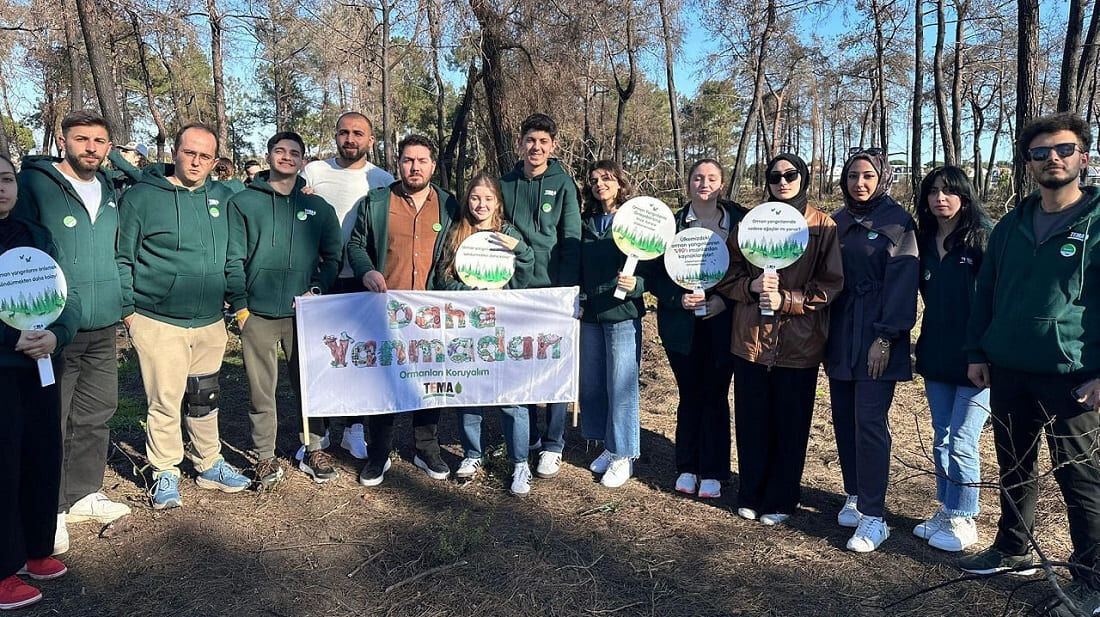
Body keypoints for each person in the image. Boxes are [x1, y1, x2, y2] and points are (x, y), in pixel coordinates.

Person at [962, 112, 1100, 616]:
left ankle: (1092, 579)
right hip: (1009, 369)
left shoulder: (1096, 224)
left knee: (1080, 477)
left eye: (1063, 150)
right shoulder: (1011, 226)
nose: (1052, 159)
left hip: (1073, 376)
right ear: (1029, 165)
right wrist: (978, 351)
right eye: (1040, 153)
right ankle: (1013, 547)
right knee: (1014, 465)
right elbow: (986, 291)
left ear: (1083, 158)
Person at [14, 110, 131, 557]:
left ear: (109, 147)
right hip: (54, 327)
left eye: (99, 141)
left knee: (97, 413)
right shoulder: (35, 185)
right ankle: (53, 507)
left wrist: (122, 304)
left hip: (103, 323)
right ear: (63, 142)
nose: (91, 148)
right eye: (82, 139)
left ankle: (84, 493)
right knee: (53, 419)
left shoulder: (110, 188)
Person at [117, 123, 252, 509]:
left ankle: (209, 463)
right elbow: (122, 257)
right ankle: (164, 470)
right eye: (189, 153)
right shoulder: (142, 197)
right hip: (158, 320)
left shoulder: (225, 197)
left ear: (215, 160)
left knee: (204, 397)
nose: (196, 162)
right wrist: (128, 313)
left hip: (210, 321)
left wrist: (303, 189)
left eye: (204, 156)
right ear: (174, 152)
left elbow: (260, 212)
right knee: (165, 399)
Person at [717, 153, 843, 525]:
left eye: (790, 175)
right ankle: (750, 493)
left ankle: (782, 498)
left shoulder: (822, 225)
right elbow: (726, 273)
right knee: (752, 420)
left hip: (799, 343)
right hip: (751, 340)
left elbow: (831, 283)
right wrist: (750, 287)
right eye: (775, 176)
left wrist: (788, 300)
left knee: (791, 424)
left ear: (803, 178)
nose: (783, 182)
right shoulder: (750, 223)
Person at [225, 131, 342, 489]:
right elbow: (233, 259)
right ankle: (264, 456)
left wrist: (316, 289)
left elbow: (333, 258)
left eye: (294, 153)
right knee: (261, 390)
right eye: (280, 151)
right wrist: (241, 308)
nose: (287, 157)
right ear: (269, 156)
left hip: (302, 315)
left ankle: (314, 449)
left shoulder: (318, 207)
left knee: (309, 384)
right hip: (257, 314)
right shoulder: (244, 202)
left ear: (303, 161)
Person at [346, 134, 458, 486]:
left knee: (431, 383)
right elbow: (356, 244)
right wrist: (367, 271)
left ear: (433, 165)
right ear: (399, 163)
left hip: (432, 314)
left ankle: (426, 449)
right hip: (385, 312)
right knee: (384, 383)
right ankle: (379, 453)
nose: (414, 167)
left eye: (422, 161)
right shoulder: (378, 202)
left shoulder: (449, 205)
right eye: (408, 160)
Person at [825, 148, 918, 553]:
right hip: (840, 332)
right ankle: (854, 493)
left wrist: (886, 337)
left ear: (882, 179)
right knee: (844, 418)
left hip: (877, 334)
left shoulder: (897, 222)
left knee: (869, 421)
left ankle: (875, 516)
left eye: (867, 176)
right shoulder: (837, 221)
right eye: (852, 176)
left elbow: (903, 283)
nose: (859, 183)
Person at [0, 153, 80, 610]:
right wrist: (11, 337)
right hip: (4, 370)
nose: (2, 188)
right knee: (4, 464)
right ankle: (2, 569)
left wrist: (56, 335)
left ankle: (35, 549)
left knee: (41, 455)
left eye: (7, 179)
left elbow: (66, 297)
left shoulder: (37, 237)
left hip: (42, 366)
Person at [433, 171, 535, 495]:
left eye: (488, 199)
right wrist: (471, 292)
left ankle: (520, 463)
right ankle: (472, 454)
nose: (481, 204)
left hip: (503, 327)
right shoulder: (456, 232)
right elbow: (442, 279)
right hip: (466, 327)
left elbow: (526, 272)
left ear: (497, 203)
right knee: (469, 392)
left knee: (511, 397)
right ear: (467, 200)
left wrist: (519, 249)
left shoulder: (507, 232)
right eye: (476, 198)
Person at [302, 111, 395, 460]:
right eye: (344, 132)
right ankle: (321, 429)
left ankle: (354, 428)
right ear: (335, 136)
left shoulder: (382, 179)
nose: (350, 139)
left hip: (363, 279)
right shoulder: (314, 171)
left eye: (358, 133)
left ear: (370, 140)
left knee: (358, 357)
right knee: (322, 355)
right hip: (320, 278)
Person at [649, 159, 742, 499]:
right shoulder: (670, 224)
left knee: (715, 394)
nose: (705, 184)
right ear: (688, 183)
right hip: (681, 327)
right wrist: (677, 299)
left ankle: (715, 471)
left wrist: (725, 302)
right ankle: (687, 466)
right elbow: (654, 273)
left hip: (723, 323)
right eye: (698, 178)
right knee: (689, 393)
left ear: (722, 184)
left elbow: (749, 270)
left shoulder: (741, 221)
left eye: (712, 178)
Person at [911, 166, 991, 552]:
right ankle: (947, 508)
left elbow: (997, 301)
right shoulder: (923, 241)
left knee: (962, 439)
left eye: (949, 191)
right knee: (941, 436)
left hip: (979, 360)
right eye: (933, 191)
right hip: (936, 354)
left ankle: (964, 517)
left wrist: (985, 354)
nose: (940, 197)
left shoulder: (982, 238)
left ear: (964, 195)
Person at [499, 113, 581, 480]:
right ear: (520, 144)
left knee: (555, 368)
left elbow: (571, 239)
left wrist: (569, 292)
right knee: (523, 363)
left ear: (553, 146)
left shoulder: (563, 185)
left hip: (554, 292)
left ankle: (553, 443)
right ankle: (530, 433)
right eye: (530, 140)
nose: (536, 147)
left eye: (543, 142)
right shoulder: (505, 183)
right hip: (516, 290)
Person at [577, 160, 645, 488]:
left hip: (621, 314)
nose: (599, 184)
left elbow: (654, 267)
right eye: (594, 180)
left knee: (621, 386)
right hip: (591, 314)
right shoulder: (586, 222)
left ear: (619, 183)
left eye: (606, 178)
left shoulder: (634, 222)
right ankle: (608, 443)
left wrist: (638, 285)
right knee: (593, 384)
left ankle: (624, 455)